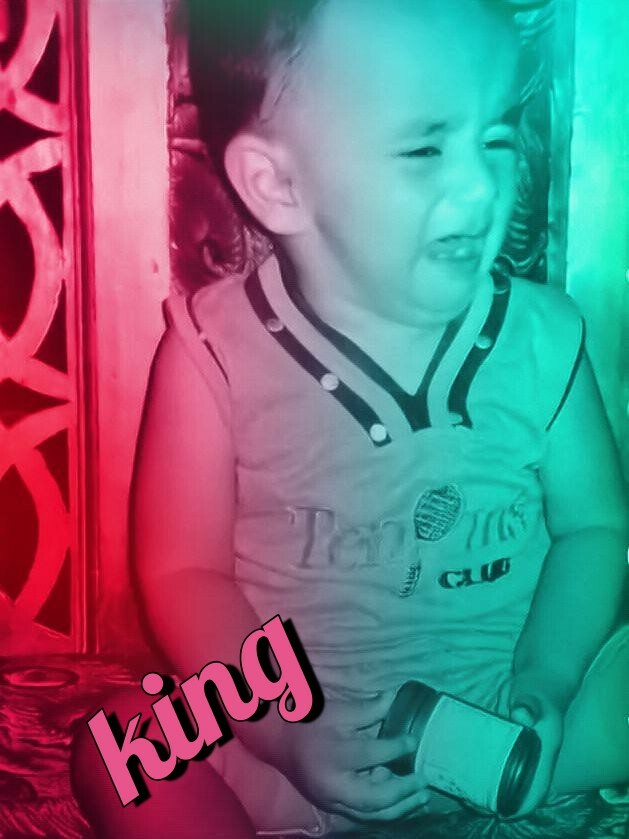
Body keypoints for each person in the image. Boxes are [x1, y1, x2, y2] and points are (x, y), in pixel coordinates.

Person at [72, 1, 628, 836]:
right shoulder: (212, 350)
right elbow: (185, 572)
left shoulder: (541, 337)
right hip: (296, 747)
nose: (481, 185)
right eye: (424, 147)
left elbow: (594, 527)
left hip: (518, 732)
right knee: (118, 744)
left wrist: (547, 681)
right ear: (280, 184)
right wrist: (281, 733)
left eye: (496, 135)